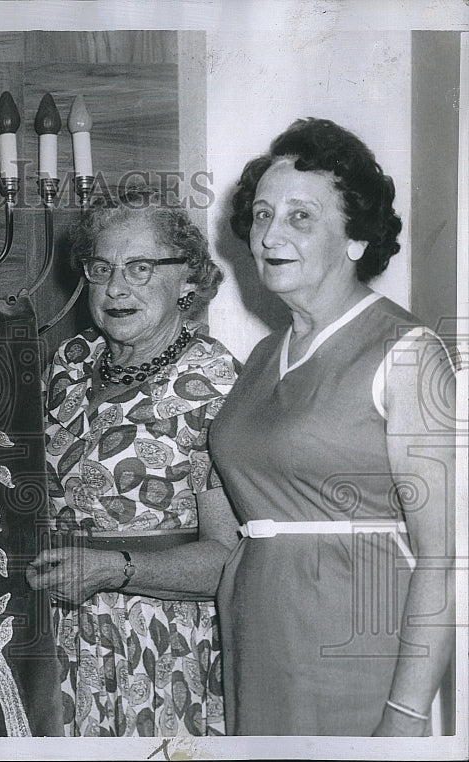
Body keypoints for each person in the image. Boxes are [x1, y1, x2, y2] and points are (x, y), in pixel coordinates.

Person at [212, 117, 456, 735]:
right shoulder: (266, 354)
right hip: (260, 634)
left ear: (355, 238)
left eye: (301, 216)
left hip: (356, 639)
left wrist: (403, 717)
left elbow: (444, 557)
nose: (270, 234)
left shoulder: (409, 351)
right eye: (262, 215)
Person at [26, 191, 240, 736]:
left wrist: (116, 569)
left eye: (141, 268)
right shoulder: (71, 364)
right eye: (102, 268)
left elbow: (231, 559)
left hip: (158, 649)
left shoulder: (213, 385)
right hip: (53, 644)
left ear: (188, 279)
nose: (116, 287)